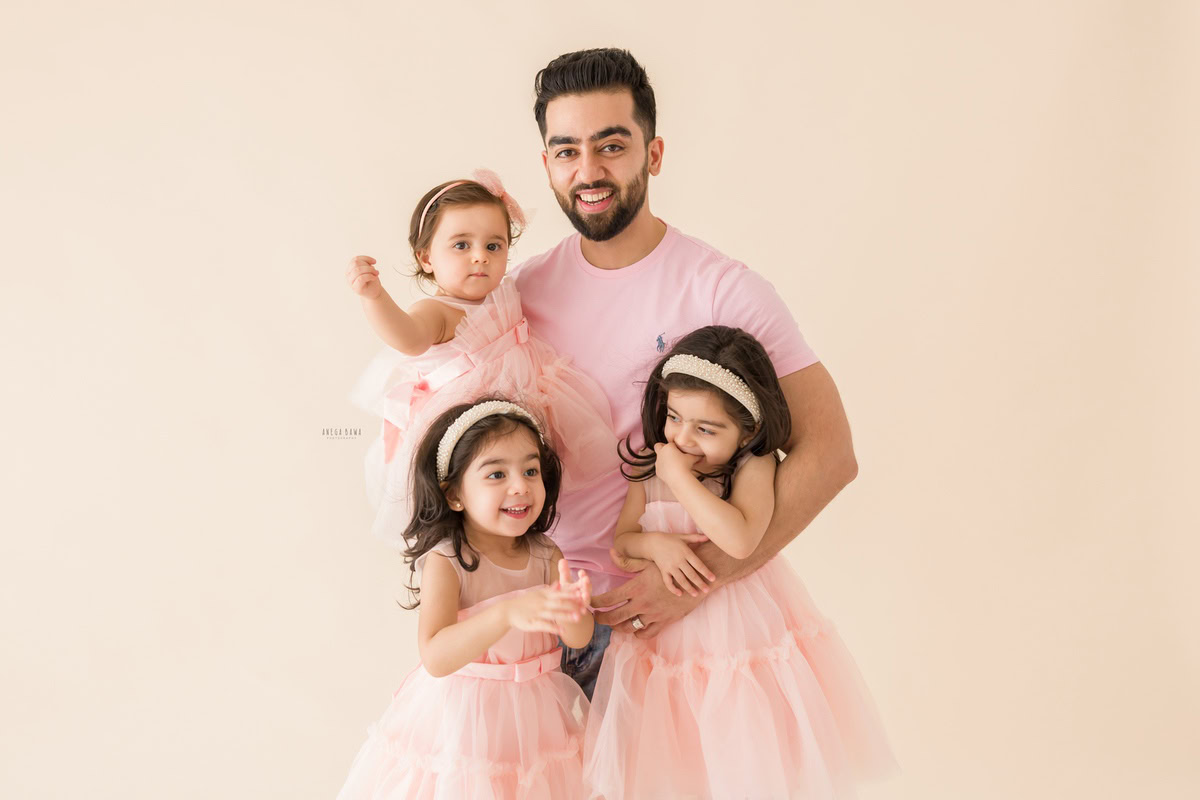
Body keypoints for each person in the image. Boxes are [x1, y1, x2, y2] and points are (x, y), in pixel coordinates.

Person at [514, 48, 862, 699]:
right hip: (544, 625)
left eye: (611, 146)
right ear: (547, 165)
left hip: (679, 632)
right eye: (566, 151)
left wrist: (700, 575)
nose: (588, 171)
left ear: (654, 153)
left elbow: (831, 452)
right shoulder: (520, 295)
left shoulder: (724, 291)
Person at [582, 326, 895, 799]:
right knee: (678, 758)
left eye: (706, 429)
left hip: (737, 631)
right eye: (674, 417)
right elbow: (623, 544)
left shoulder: (753, 466)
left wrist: (680, 480)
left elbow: (741, 538)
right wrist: (658, 547)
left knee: (741, 751)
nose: (683, 439)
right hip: (666, 643)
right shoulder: (651, 465)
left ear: (747, 430)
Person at [336, 399, 595, 800]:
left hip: (538, 717)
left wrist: (575, 612)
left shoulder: (546, 555)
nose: (520, 485)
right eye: (496, 473)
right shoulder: (448, 562)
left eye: (530, 470)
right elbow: (436, 656)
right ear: (455, 495)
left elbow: (577, 639)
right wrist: (506, 613)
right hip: (465, 722)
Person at [346, 170, 616, 546]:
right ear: (426, 257)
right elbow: (407, 337)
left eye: (494, 246)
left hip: (516, 415)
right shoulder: (437, 311)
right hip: (465, 425)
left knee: (522, 486)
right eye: (461, 245)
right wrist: (375, 298)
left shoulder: (502, 293)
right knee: (473, 503)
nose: (480, 257)